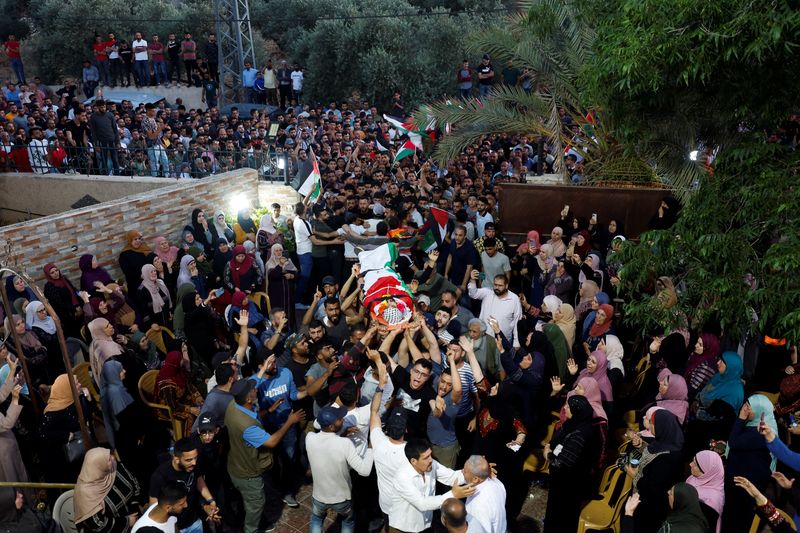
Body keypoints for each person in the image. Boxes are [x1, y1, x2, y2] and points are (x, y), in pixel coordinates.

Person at [224, 378, 306, 533]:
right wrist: (290, 421)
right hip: (248, 474)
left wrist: (269, 411)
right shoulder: (247, 426)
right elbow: (272, 442)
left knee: (246, 502)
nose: (256, 390)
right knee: (256, 504)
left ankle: (245, 520)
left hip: (236, 463)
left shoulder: (234, 405)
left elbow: (252, 417)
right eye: (253, 389)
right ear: (248, 398)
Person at [306, 404, 374, 533]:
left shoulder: (309, 438)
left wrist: (341, 434)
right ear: (332, 426)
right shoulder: (345, 444)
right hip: (341, 499)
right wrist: (371, 446)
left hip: (319, 496)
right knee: (348, 521)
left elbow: (327, 444)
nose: (343, 419)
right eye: (340, 419)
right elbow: (364, 471)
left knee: (316, 519)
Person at [388, 438, 475, 532]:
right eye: (426, 457)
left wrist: (476, 472)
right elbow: (422, 503)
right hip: (403, 529)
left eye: (430, 455)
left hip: (426, 526)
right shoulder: (402, 477)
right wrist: (453, 495)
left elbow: (452, 477)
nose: (430, 460)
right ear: (413, 461)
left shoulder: (431, 464)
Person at [148, 438, 219, 533]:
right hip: (174, 527)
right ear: (176, 459)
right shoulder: (160, 476)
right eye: (188, 460)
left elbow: (199, 479)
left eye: (195, 458)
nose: (194, 462)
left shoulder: (194, 465)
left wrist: (210, 501)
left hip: (194, 522)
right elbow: (154, 506)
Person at [74, 447, 142, 533]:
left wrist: (134, 509)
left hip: (134, 519)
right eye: (108, 459)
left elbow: (135, 484)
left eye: (109, 455)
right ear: (98, 465)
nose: (113, 458)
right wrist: (127, 522)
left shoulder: (114, 467)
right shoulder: (85, 493)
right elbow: (96, 524)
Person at [622, 482, 708, 533]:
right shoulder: (701, 522)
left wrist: (628, 513)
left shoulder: (669, 529)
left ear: (678, 501)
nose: (668, 492)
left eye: (671, 493)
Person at [468, 272, 523, 347]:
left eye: (500, 285)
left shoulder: (514, 299)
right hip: (483, 338)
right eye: (495, 285)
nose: (497, 287)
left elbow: (517, 321)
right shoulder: (487, 292)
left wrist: (516, 342)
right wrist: (472, 280)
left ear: (506, 286)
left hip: (503, 342)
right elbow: (473, 294)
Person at [463, 455, 506, 533]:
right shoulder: (497, 482)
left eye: (465, 471)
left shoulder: (477, 506)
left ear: (475, 479)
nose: (462, 472)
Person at [686, 450, 725, 532]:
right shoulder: (694, 478)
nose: (690, 464)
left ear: (707, 472)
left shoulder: (711, 500)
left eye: (695, 464)